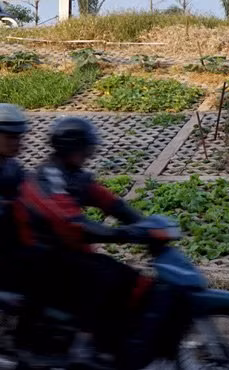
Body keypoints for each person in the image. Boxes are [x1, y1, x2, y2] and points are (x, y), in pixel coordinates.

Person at [14, 116, 172, 368]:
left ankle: (114, 340)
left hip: (66, 253)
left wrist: (145, 224)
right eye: (84, 148)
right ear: (70, 148)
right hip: (44, 259)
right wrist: (128, 235)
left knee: (129, 278)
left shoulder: (73, 175)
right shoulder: (49, 177)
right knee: (108, 277)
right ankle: (87, 344)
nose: (88, 153)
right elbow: (74, 224)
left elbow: (110, 202)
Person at [0, 103, 29, 291]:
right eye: (10, 137)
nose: (17, 142)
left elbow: (32, 191)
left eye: (18, 136)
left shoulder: (12, 167)